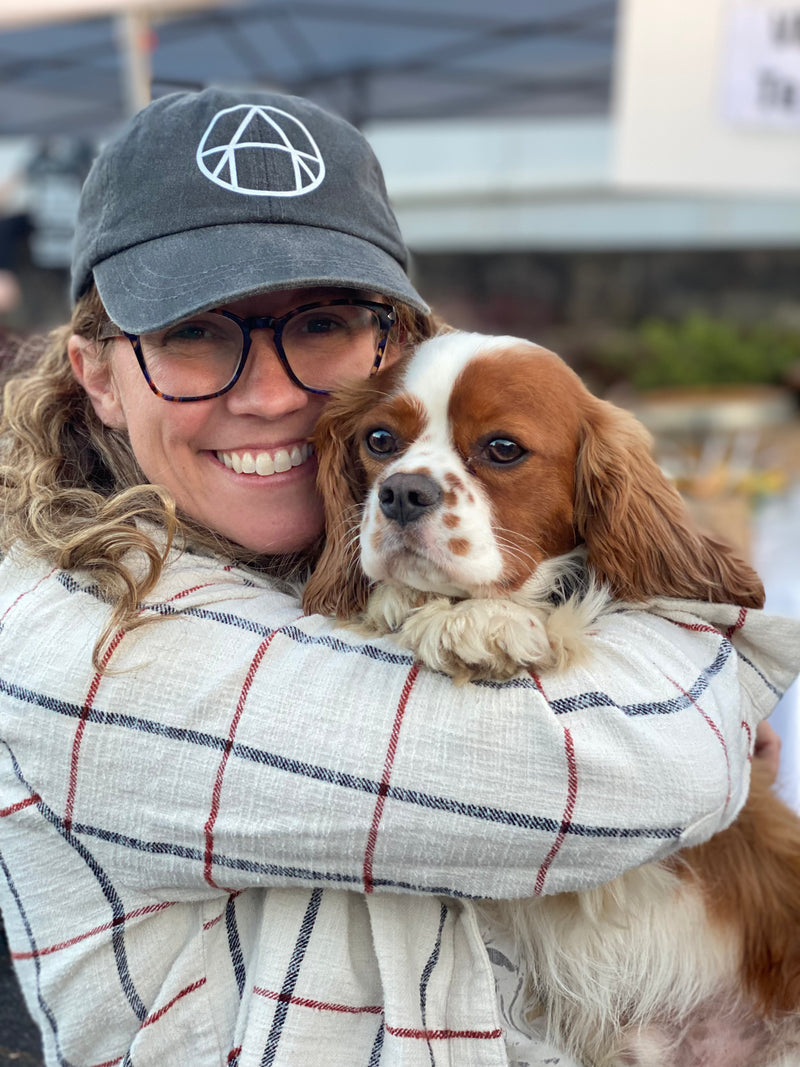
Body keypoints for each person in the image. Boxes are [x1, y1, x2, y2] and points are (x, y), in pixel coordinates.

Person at [0, 88, 797, 1067]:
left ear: (396, 343)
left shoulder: (299, 552)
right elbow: (608, 779)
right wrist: (707, 691)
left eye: (322, 322)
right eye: (194, 334)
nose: (270, 394)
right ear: (95, 374)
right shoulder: (88, 643)